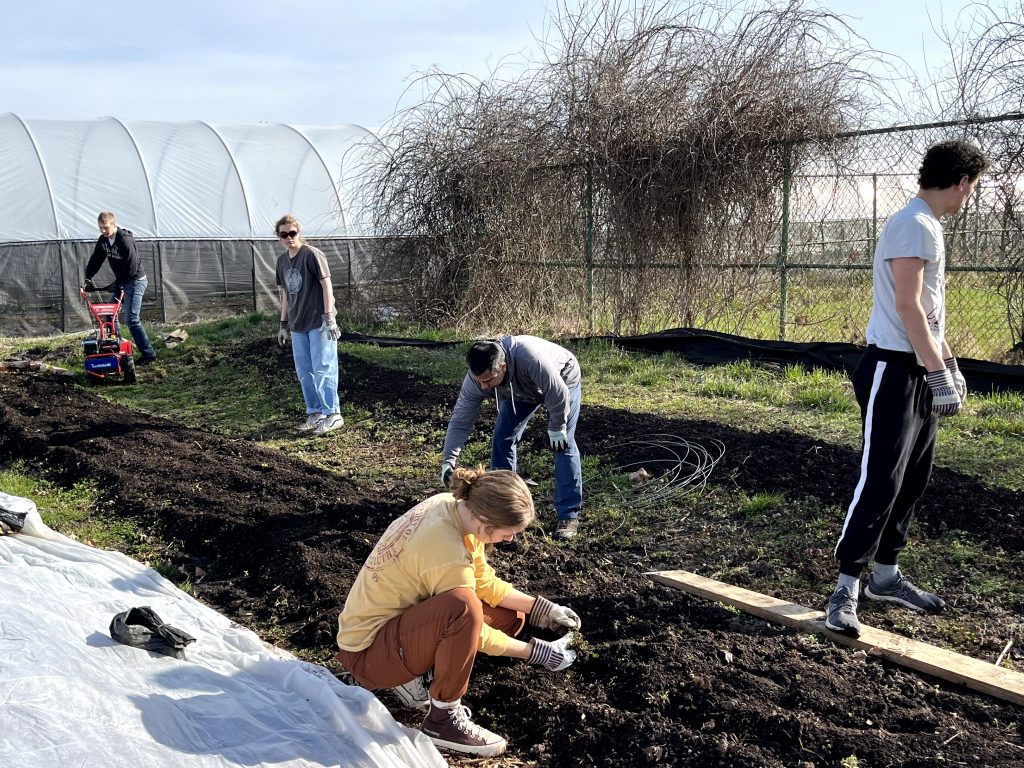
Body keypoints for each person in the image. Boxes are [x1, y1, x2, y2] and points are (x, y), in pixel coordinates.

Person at [825, 139, 989, 638]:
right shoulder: (913, 224)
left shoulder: (927, 226)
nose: (969, 197)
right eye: (972, 187)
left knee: (913, 478)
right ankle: (845, 588)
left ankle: (886, 577)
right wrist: (936, 372)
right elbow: (908, 305)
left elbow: (931, 313)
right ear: (961, 181)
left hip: (919, 369)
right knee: (881, 481)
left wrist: (945, 363)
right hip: (892, 372)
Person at [335, 467, 582, 757]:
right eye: (509, 533)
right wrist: (536, 653)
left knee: (509, 617)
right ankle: (443, 719)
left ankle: (414, 676)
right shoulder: (445, 548)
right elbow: (472, 627)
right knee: (464, 609)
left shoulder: (455, 508)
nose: (510, 540)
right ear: (486, 522)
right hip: (368, 656)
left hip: (392, 632)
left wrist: (542, 608)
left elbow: (482, 581)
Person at [441, 336, 583, 539]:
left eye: (488, 381)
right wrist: (449, 460)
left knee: (562, 444)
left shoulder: (531, 359)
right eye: (479, 381)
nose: (484, 387)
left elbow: (557, 391)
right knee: (502, 438)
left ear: (503, 367)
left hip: (562, 379)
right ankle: (503, 504)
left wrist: (557, 425)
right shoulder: (477, 380)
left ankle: (568, 514)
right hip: (518, 390)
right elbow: (461, 419)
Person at [274, 215, 344, 435]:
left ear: (299, 232)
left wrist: (329, 317)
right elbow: (285, 294)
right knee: (304, 371)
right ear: (279, 237)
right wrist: (283, 323)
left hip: (318, 322)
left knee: (323, 367)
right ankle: (315, 413)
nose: (289, 238)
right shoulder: (282, 261)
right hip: (297, 325)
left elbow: (327, 286)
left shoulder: (312, 254)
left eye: (292, 233)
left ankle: (333, 414)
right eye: (283, 234)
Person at [83, 211, 157, 365]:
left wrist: (117, 283)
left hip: (135, 281)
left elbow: (132, 267)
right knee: (110, 315)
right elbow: (96, 259)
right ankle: (115, 347)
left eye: (106, 227)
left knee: (132, 319)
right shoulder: (103, 241)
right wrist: (88, 277)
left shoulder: (125, 240)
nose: (103, 231)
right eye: (100, 228)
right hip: (122, 281)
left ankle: (148, 354)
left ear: (114, 224)